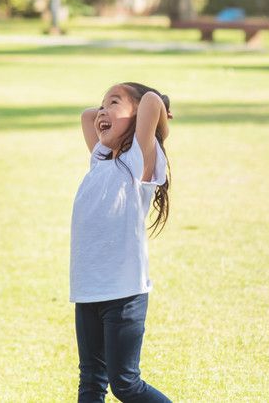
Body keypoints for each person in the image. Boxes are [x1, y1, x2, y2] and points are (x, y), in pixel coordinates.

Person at [72, 83, 174, 403]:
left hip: (123, 292)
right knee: (90, 381)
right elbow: (87, 116)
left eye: (114, 103)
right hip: (88, 291)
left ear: (138, 119)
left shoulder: (137, 163)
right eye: (103, 103)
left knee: (125, 383)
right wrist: (112, 110)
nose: (101, 111)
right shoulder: (100, 158)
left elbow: (153, 102)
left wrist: (160, 126)